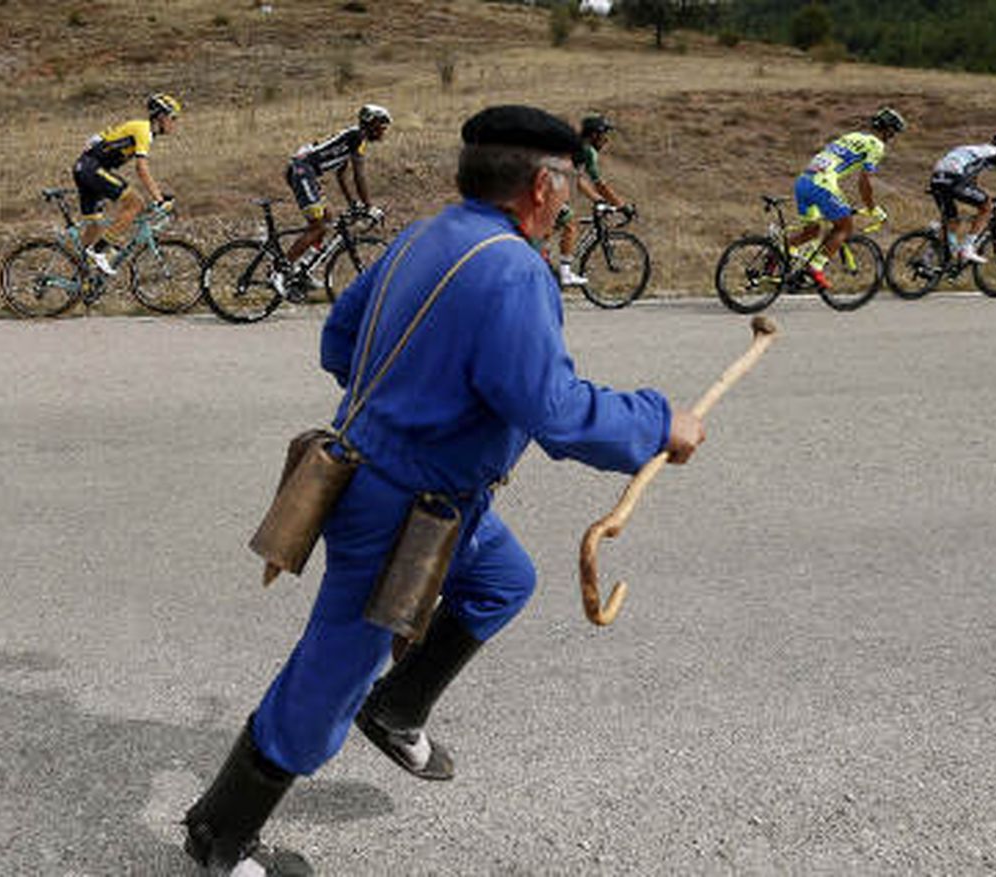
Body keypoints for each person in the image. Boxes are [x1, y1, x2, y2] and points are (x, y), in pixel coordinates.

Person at [181, 105, 706, 877]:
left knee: (502, 579)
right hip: (402, 504)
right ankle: (218, 836)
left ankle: (395, 709)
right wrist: (660, 421)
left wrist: (409, 396)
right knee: (333, 669)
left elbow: (339, 341)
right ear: (541, 186)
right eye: (564, 187)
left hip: (431, 492)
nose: (565, 201)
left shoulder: (424, 235)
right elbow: (556, 412)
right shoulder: (515, 269)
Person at [786, 107, 905, 290]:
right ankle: (815, 267)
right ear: (888, 130)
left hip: (804, 180)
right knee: (845, 226)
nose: (893, 136)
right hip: (823, 183)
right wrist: (871, 207)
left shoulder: (853, 136)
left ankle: (779, 254)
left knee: (812, 230)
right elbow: (864, 181)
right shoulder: (877, 145)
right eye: (894, 132)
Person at [279, 104, 390, 293]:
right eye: (382, 126)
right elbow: (358, 175)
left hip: (306, 172)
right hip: (302, 171)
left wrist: (353, 204)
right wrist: (368, 206)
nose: (383, 131)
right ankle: (280, 271)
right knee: (318, 226)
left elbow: (342, 176)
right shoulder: (358, 137)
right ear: (370, 124)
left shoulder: (350, 138)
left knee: (328, 218)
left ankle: (302, 271)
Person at [73, 93, 181, 275]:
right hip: (91, 169)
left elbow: (97, 141)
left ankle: (80, 275)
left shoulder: (141, 129)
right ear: (161, 117)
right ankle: (99, 250)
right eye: (173, 118)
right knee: (136, 203)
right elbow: (141, 168)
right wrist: (159, 199)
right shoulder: (144, 130)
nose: (174, 123)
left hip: (85, 168)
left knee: (95, 225)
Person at [928, 132, 996, 264]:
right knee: (987, 206)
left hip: (937, 180)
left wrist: (980, 193)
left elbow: (971, 181)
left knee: (952, 221)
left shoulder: (976, 150)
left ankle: (926, 259)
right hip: (955, 180)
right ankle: (967, 249)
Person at [551, 113, 629, 287]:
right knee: (570, 223)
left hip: (545, 183)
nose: (606, 140)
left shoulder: (577, 148)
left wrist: (599, 200)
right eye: (604, 135)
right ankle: (565, 273)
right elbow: (599, 183)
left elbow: (579, 182)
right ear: (594, 135)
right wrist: (621, 206)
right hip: (546, 185)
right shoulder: (587, 151)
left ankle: (545, 262)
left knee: (552, 228)